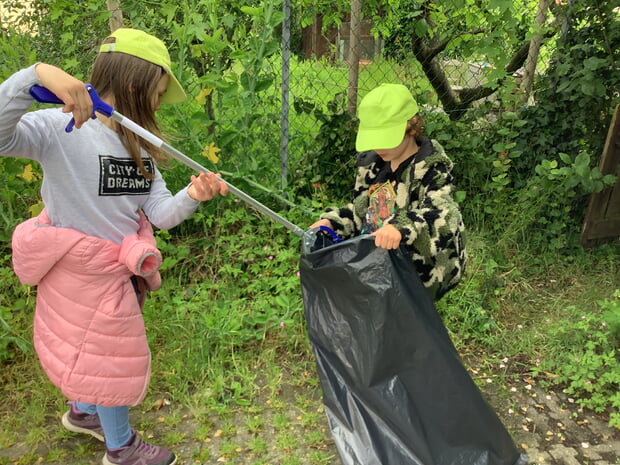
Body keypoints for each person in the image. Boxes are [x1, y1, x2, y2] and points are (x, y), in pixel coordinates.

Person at [0, 28, 228, 465]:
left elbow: (159, 212)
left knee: (93, 350)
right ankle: (120, 449)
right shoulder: (60, 128)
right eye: (158, 93)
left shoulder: (136, 144)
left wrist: (192, 196)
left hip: (117, 273)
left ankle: (85, 412)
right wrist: (36, 74)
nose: (159, 104)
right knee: (109, 355)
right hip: (79, 270)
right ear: (133, 85)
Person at [310, 83, 466, 300]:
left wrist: (401, 226)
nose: (378, 147)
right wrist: (332, 222)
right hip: (378, 266)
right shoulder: (373, 165)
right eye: (374, 139)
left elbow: (445, 215)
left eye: (386, 138)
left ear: (411, 127)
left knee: (406, 325)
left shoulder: (431, 167)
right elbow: (361, 210)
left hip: (417, 273)